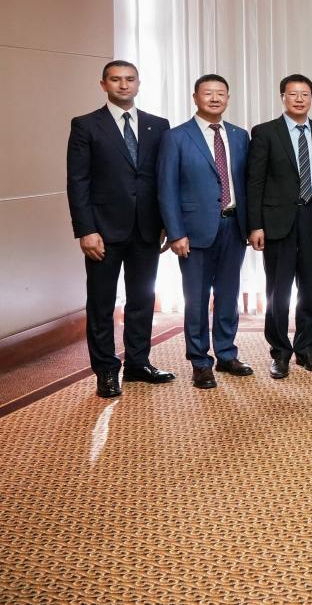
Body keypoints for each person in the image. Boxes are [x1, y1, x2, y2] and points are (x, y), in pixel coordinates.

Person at [67, 61, 174, 398]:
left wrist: (166, 224)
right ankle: (106, 371)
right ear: (103, 84)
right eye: (116, 79)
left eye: (130, 79)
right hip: (102, 231)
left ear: (139, 84)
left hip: (147, 229)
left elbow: (164, 179)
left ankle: (138, 364)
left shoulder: (159, 125)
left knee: (142, 300)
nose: (123, 85)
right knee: (101, 304)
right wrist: (85, 229)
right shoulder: (86, 125)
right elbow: (77, 181)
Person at [156, 75, 252, 390]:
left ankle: (226, 354)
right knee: (196, 299)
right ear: (195, 97)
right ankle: (200, 362)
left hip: (234, 226)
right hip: (194, 231)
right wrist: (176, 233)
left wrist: (252, 226)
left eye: (220, 93)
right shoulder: (176, 137)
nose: (214, 98)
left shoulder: (239, 136)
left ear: (228, 98)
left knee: (228, 295)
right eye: (207, 93)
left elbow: (247, 183)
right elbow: (166, 188)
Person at [247, 74, 312, 380]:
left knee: (310, 289)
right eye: (293, 94)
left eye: (305, 94)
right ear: (283, 97)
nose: (299, 99)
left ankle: (306, 349)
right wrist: (255, 225)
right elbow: (254, 182)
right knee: (278, 290)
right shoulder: (265, 132)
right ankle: (280, 352)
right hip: (277, 222)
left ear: (311, 98)